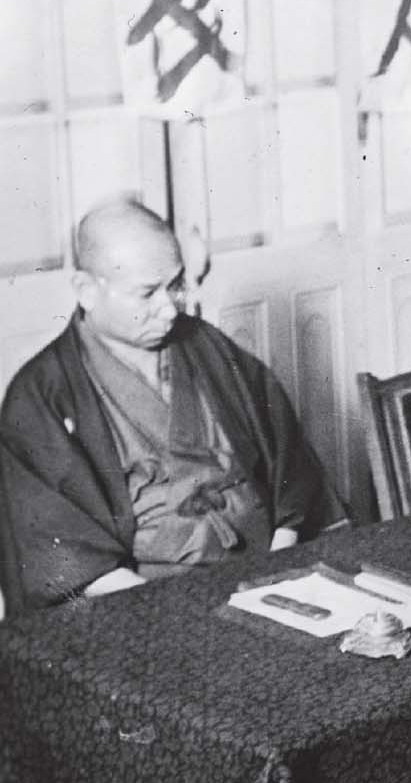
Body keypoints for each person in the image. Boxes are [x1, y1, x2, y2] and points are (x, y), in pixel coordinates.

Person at [0, 199, 344, 610]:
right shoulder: (41, 396)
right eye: (147, 293)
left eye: (175, 285)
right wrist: (175, 609)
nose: (170, 308)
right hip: (141, 604)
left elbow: (292, 474)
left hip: (267, 572)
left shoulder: (207, 346)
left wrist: (279, 564)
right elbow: (62, 556)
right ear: (86, 290)